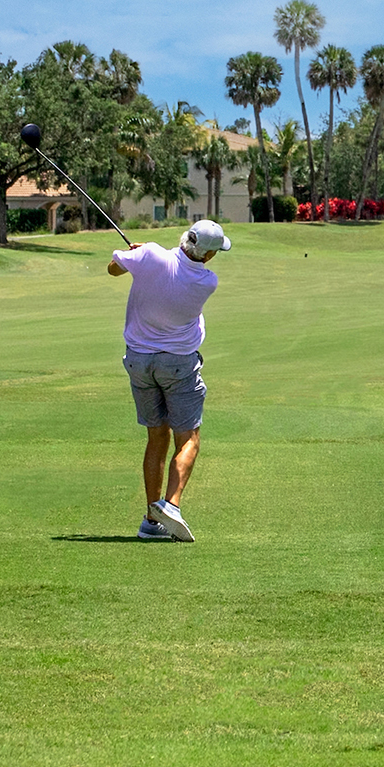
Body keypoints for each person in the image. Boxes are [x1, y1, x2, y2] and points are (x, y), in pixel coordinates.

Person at [108, 219, 228, 542]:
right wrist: (144, 256)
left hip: (139, 362)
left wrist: (138, 256)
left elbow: (113, 269)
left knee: (156, 437)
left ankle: (151, 521)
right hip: (178, 365)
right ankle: (171, 506)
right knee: (188, 439)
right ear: (208, 255)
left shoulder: (150, 255)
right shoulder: (207, 281)